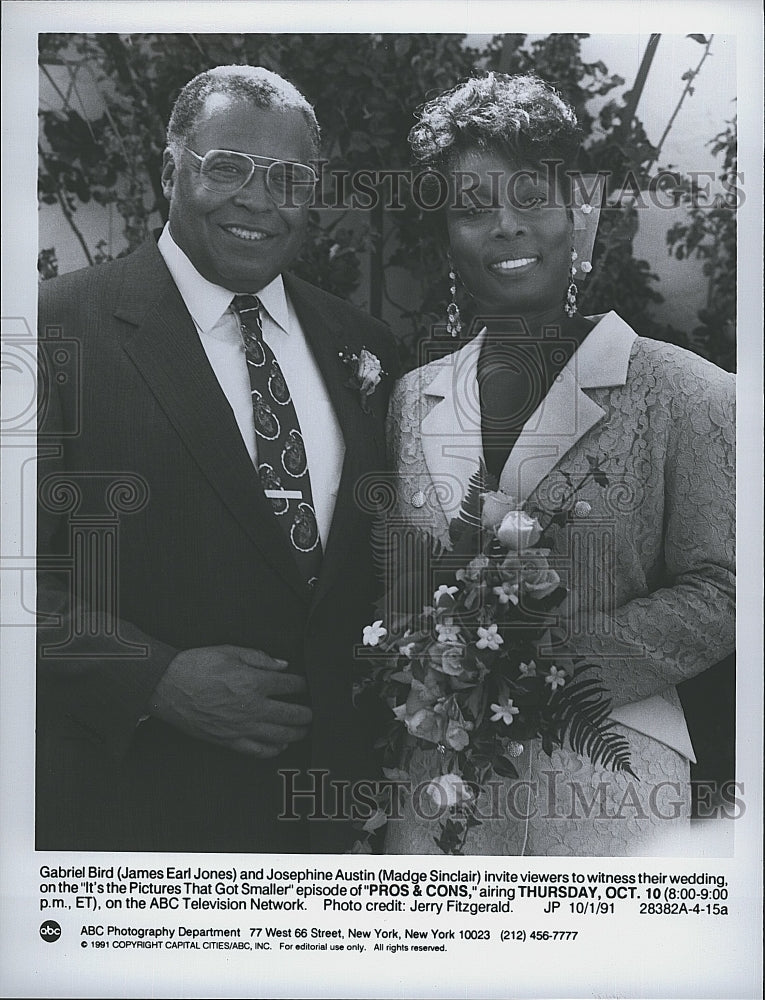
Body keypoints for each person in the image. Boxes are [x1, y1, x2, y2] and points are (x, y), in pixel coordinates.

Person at [36, 65, 397, 853]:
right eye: (227, 167)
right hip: (132, 819)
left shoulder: (364, 348)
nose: (259, 201)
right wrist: (151, 680)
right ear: (171, 168)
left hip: (328, 823)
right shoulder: (52, 332)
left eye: (289, 178)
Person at [384, 74, 735, 855]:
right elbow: (400, 583)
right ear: (447, 232)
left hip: (607, 789)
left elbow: (727, 588)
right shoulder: (411, 400)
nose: (505, 228)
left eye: (530, 198)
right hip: (436, 794)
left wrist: (541, 663)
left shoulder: (686, 392)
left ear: (578, 209)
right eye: (472, 208)